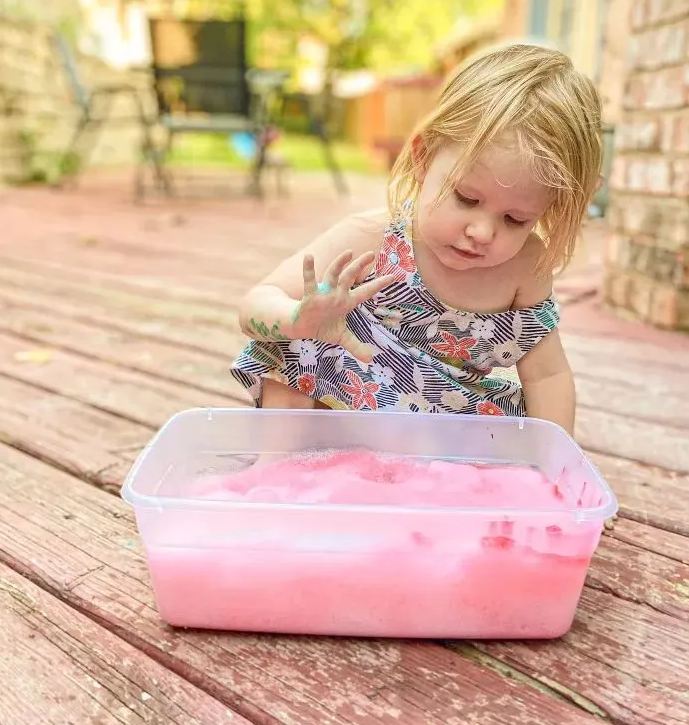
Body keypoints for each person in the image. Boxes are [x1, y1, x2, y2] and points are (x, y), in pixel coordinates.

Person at [230, 43, 602, 438]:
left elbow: (547, 374)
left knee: (517, 422)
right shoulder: (375, 237)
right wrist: (295, 319)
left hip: (442, 419)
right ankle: (276, 475)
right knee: (302, 337)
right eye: (466, 198)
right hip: (347, 408)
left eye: (516, 219)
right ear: (424, 159)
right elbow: (257, 302)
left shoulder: (525, 267)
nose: (482, 231)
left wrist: (555, 460)